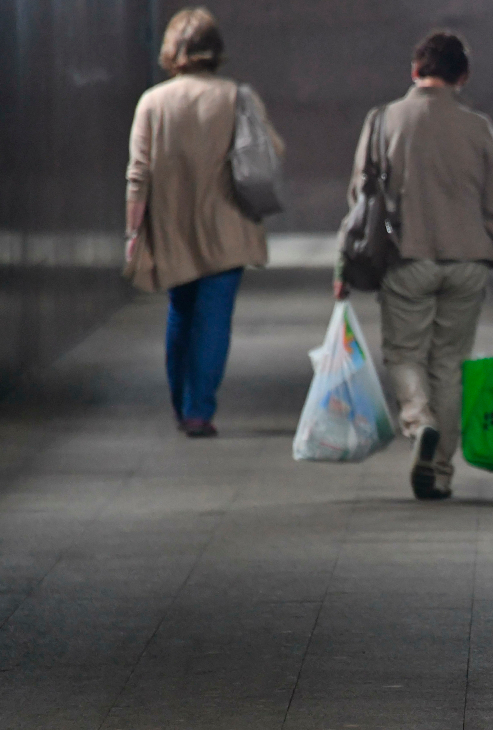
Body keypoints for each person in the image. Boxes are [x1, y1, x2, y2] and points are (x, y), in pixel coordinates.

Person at [335, 31, 493, 500]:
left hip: (407, 259)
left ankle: (418, 421)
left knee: (405, 353)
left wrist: (344, 269)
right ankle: (441, 472)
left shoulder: (383, 120)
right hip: (468, 262)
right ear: (462, 77)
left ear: (414, 71)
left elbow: (359, 200)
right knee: (449, 364)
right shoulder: (479, 127)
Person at [125, 6, 283, 438]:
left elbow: (138, 175)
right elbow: (271, 153)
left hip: (172, 225)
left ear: (172, 50)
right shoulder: (236, 97)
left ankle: (181, 403)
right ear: (216, 51)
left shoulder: (153, 103)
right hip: (228, 224)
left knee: (180, 312)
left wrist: (133, 231)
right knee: (214, 319)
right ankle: (199, 410)